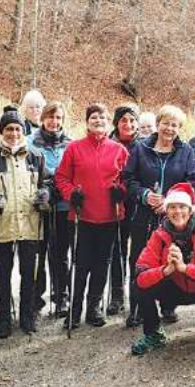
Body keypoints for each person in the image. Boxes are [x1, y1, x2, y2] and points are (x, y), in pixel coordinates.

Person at [131, 183, 195, 355]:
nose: (177, 212)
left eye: (182, 207)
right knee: (138, 286)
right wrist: (166, 270)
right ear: (166, 211)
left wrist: (185, 268)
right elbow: (141, 275)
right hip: (173, 289)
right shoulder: (158, 235)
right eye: (172, 207)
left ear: (190, 210)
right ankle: (153, 333)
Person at [0, 106, 49, 338]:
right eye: (8, 129)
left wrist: (45, 194)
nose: (13, 133)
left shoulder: (36, 156)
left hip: (30, 226)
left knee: (29, 274)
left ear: (23, 130)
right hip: (1, 227)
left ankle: (27, 317)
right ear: (1, 131)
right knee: (2, 276)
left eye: (17, 128)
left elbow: (48, 184)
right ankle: (4, 318)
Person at [122, 105, 195, 327]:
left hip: (173, 216)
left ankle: (167, 305)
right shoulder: (140, 148)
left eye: (174, 125)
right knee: (139, 260)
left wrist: (171, 200)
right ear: (158, 124)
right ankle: (137, 306)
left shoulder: (186, 151)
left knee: (170, 258)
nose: (169, 129)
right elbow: (128, 179)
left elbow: (191, 182)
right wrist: (145, 195)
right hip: (143, 215)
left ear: (179, 128)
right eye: (166, 123)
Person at [56, 103, 129, 329]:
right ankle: (74, 310)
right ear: (87, 122)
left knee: (101, 264)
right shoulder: (74, 148)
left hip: (109, 216)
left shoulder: (119, 150)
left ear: (109, 123)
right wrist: (71, 194)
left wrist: (122, 191)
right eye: (94, 117)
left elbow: (128, 180)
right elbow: (61, 178)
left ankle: (93, 308)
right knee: (82, 264)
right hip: (82, 216)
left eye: (103, 118)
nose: (98, 121)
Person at [27, 102, 74, 317]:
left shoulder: (70, 145)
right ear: (43, 118)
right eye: (50, 117)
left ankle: (61, 296)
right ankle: (36, 297)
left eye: (59, 118)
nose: (54, 122)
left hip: (63, 207)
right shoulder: (31, 143)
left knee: (60, 253)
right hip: (40, 206)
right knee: (38, 252)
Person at [107, 104, 140, 316]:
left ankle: (138, 292)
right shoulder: (108, 144)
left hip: (136, 203)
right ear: (116, 123)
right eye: (123, 121)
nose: (128, 124)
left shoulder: (144, 146)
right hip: (114, 202)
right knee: (117, 249)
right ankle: (117, 294)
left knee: (137, 252)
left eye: (131, 120)